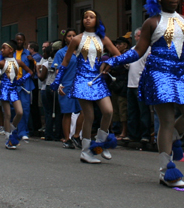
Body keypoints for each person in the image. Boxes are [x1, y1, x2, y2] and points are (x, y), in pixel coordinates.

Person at [103, 0, 184, 186]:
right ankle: (166, 169)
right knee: (166, 121)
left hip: (180, 73)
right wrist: (113, 61)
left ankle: (174, 135)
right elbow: (138, 52)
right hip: (158, 74)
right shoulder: (152, 22)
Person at [53, 11, 121, 164]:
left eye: (91, 17)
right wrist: (58, 82)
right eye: (85, 17)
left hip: (97, 79)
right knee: (88, 116)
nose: (87, 19)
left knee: (108, 111)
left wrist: (108, 63)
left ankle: (101, 143)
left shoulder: (103, 38)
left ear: (97, 20)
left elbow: (118, 55)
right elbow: (65, 61)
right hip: (82, 80)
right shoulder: (77, 39)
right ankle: (85, 152)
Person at [0, 41, 33, 149]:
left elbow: (30, 72)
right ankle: (8, 138)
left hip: (14, 89)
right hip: (4, 90)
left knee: (20, 112)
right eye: (1, 48)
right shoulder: (1, 63)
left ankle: (12, 128)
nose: (1, 50)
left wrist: (20, 80)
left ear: (11, 50)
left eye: (4, 48)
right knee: (8, 114)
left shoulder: (18, 62)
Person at [51, 30, 81, 148]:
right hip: (66, 84)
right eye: (69, 36)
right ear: (65, 39)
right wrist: (58, 85)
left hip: (80, 85)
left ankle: (77, 136)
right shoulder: (61, 52)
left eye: (74, 35)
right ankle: (67, 138)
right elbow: (58, 70)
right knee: (67, 112)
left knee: (84, 111)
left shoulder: (81, 51)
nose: (72, 37)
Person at [125, 27, 151, 145]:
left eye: (141, 36)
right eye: (137, 36)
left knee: (143, 112)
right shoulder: (132, 50)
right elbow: (128, 64)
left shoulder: (149, 50)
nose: (139, 38)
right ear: (135, 38)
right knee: (132, 111)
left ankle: (145, 135)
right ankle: (133, 134)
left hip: (142, 84)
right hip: (131, 84)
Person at [110, 37, 131, 140]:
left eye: (120, 44)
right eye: (116, 44)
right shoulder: (114, 56)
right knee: (115, 109)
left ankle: (124, 131)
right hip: (115, 82)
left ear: (125, 45)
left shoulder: (127, 55)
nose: (117, 46)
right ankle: (116, 130)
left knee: (123, 108)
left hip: (124, 82)